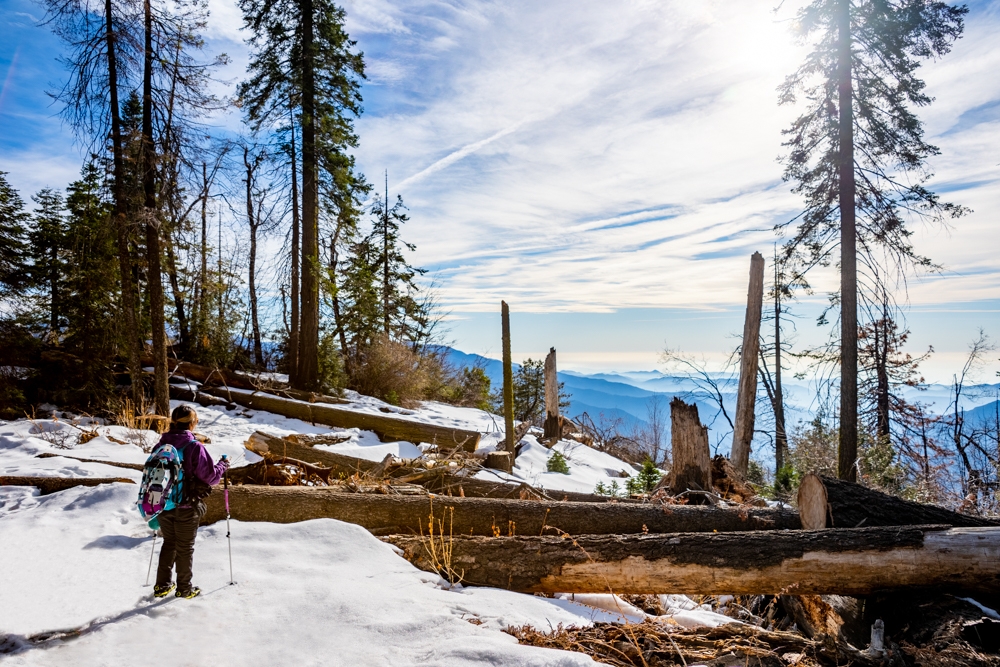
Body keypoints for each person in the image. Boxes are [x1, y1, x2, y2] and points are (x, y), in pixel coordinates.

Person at [153, 405, 229, 599]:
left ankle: (162, 586)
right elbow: (211, 477)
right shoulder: (194, 446)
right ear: (192, 423)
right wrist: (222, 465)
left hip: (162, 505)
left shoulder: (160, 445)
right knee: (185, 547)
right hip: (186, 505)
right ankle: (184, 588)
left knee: (169, 542)